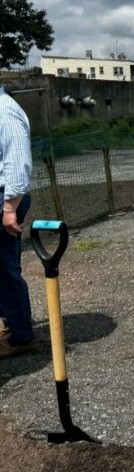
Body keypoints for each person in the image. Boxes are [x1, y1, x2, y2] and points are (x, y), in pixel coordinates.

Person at [0, 84, 35, 358]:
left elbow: (18, 159)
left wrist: (9, 208)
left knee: (4, 269)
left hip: (4, 198)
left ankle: (21, 336)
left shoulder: (4, 111)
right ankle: (11, 322)